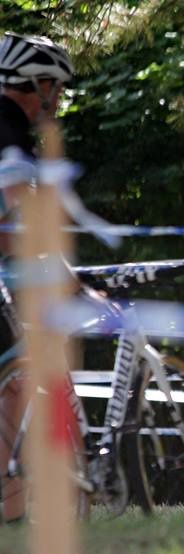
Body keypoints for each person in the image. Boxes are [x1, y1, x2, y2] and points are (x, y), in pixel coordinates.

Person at [0, 32, 74, 522]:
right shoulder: (6, 122)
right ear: (37, 84)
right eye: (58, 89)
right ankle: (13, 508)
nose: (60, 100)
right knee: (14, 385)